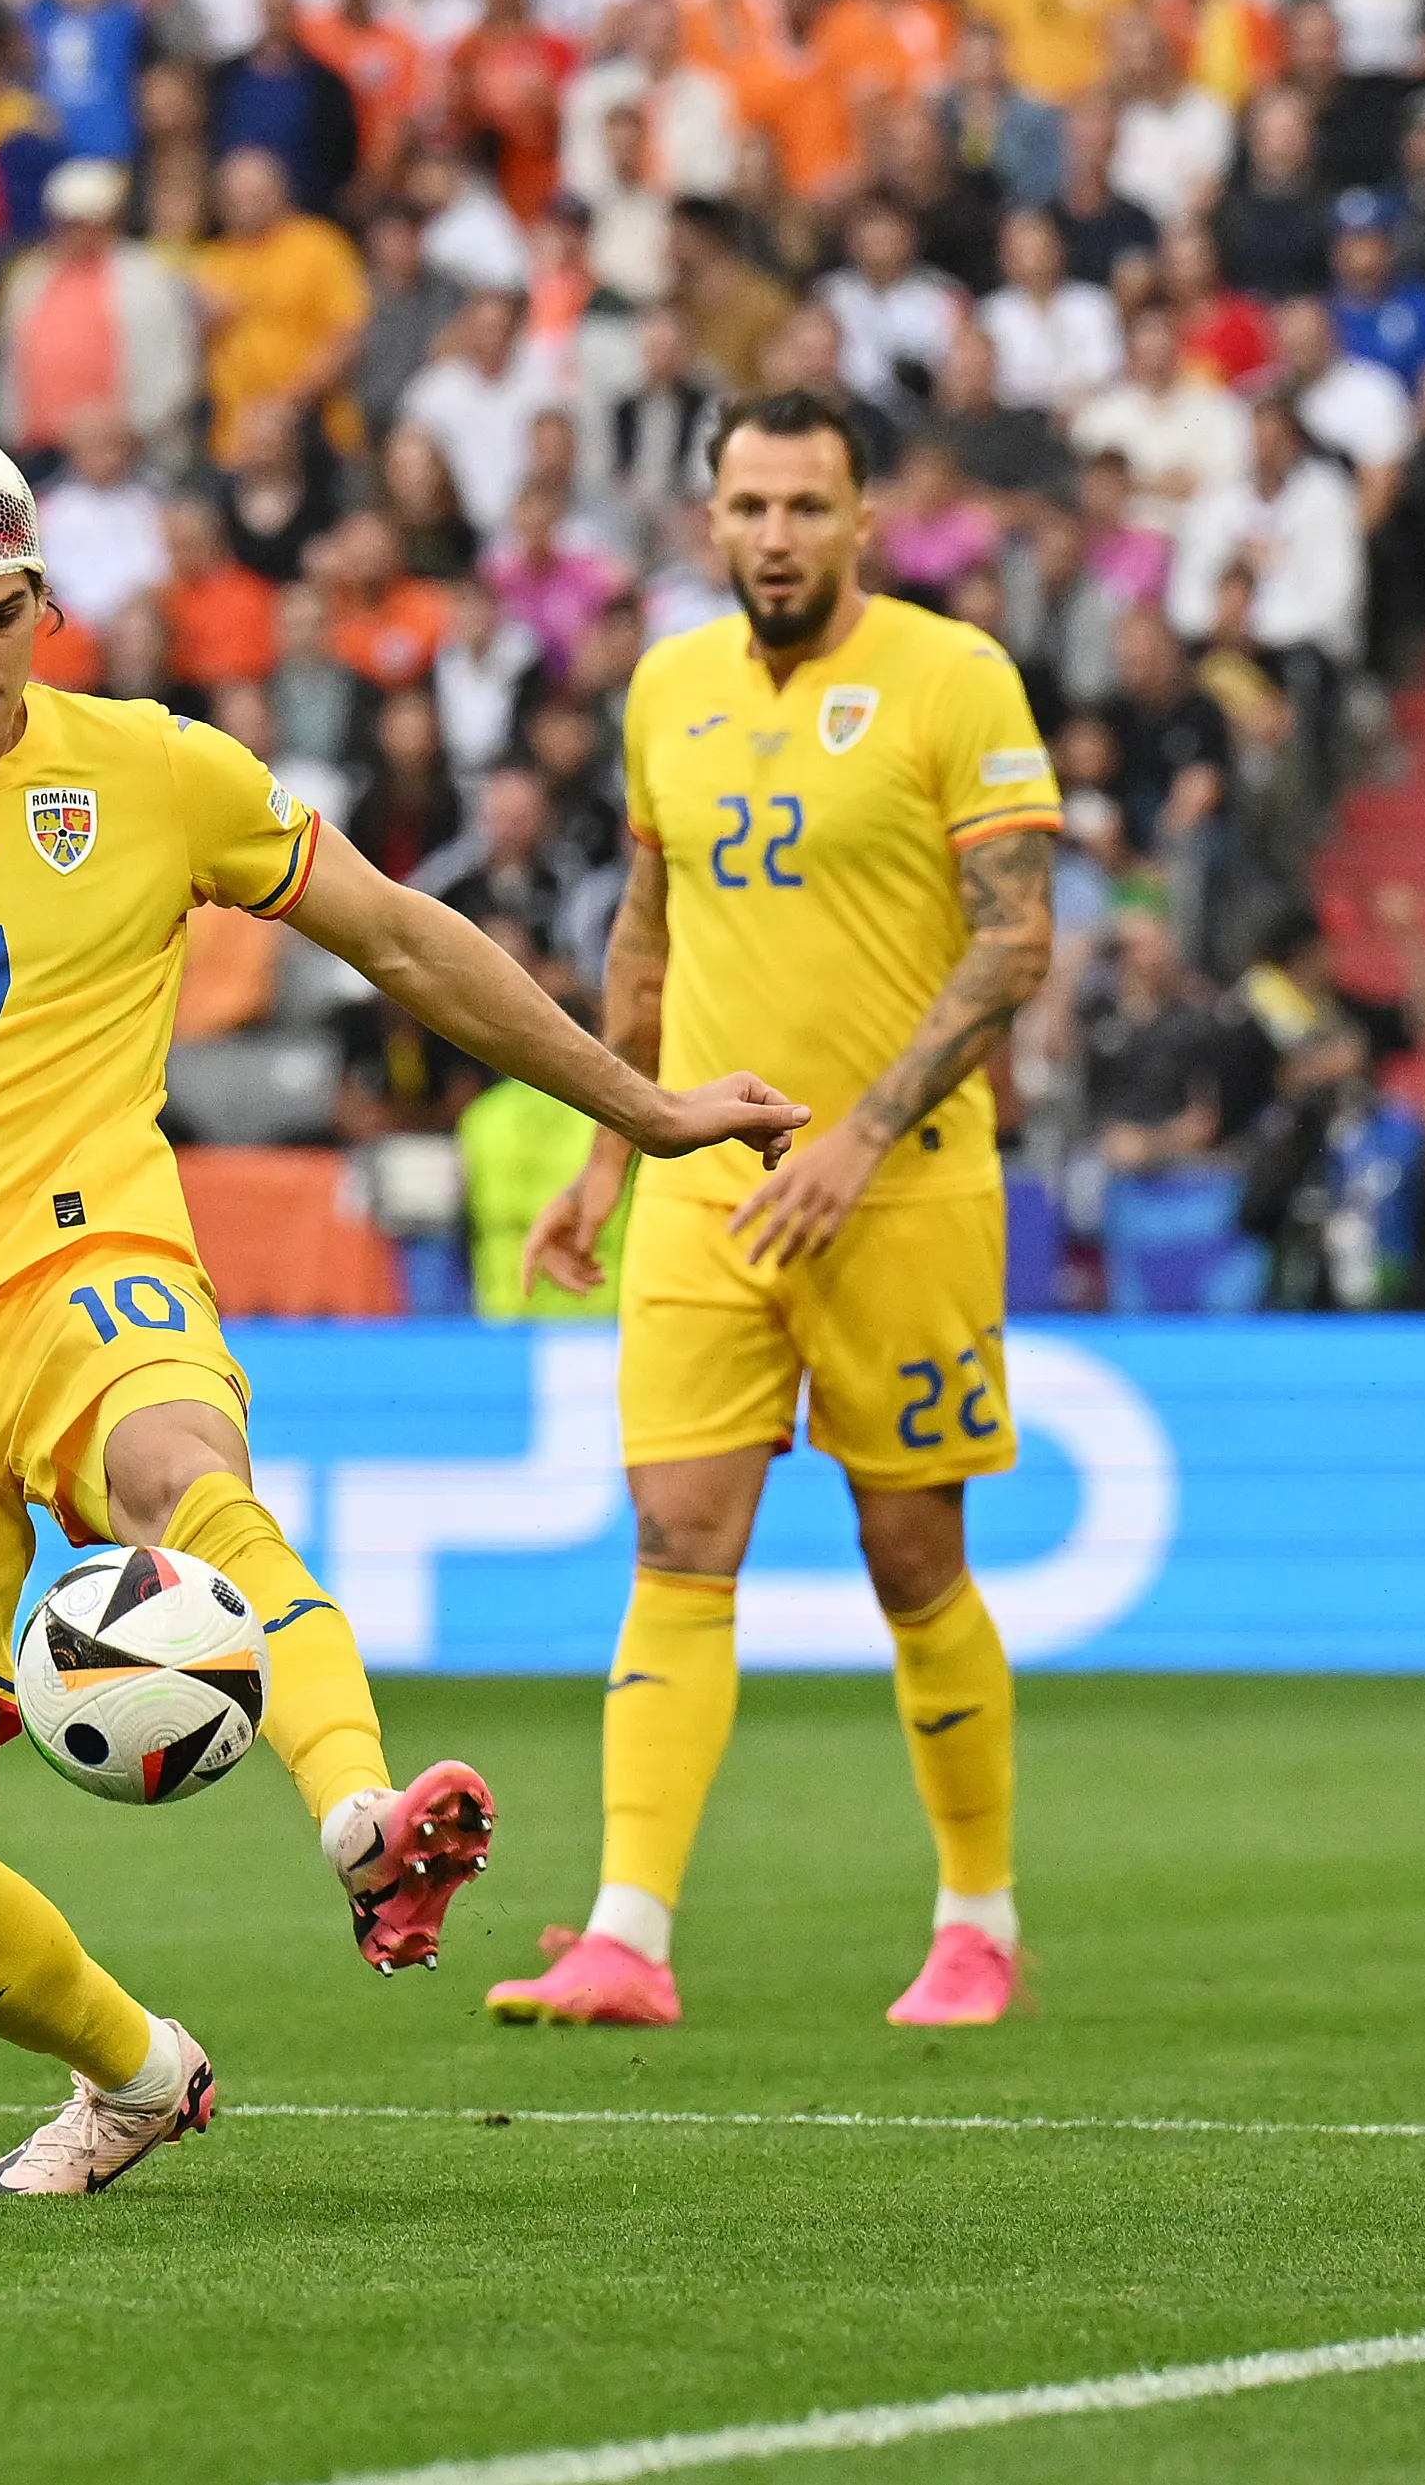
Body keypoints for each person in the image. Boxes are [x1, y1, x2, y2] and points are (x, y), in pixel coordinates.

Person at [0, 405, 804, 2194]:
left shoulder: (157, 769)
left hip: (93, 1257)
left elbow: (398, 936)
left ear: (45, 603)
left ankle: (365, 1822)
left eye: (4, 613)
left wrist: (646, 1102)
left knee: (185, 1485)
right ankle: (137, 2073)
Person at [502, 386, 1060, 2035]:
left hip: (904, 1191)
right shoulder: (667, 683)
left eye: (808, 507)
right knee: (679, 1542)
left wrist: (861, 1137)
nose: (775, 537)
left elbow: (1015, 939)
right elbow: (646, 931)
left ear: (864, 520)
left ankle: (978, 1919)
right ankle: (625, 1933)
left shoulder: (955, 680)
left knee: (910, 1559)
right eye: (748, 507)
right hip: (707, 1194)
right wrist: (611, 1153)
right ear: (710, 517)